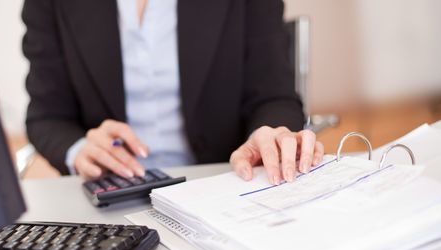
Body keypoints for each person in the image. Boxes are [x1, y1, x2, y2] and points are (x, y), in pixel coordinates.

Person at [22, 0, 324, 185]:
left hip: (222, 185)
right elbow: (46, 116)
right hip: (109, 195)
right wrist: (78, 151)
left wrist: (266, 133)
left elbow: (274, 97)